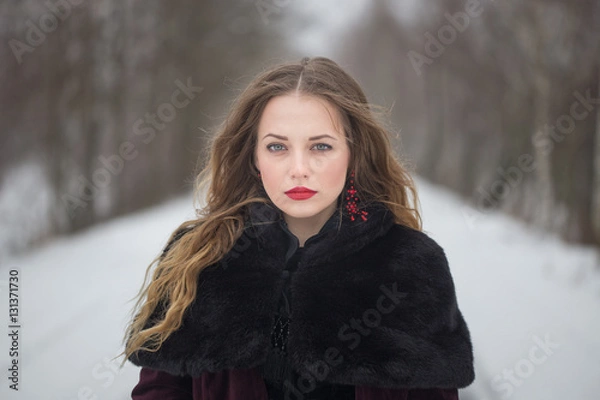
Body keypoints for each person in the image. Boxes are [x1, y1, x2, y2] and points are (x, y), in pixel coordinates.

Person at [121, 56, 475, 399]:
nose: (299, 168)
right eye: (277, 147)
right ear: (254, 158)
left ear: (353, 154)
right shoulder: (198, 255)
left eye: (321, 146)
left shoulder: (411, 264)